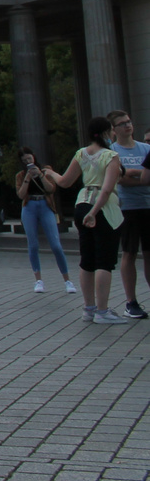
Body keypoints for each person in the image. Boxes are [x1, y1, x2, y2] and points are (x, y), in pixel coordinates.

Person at [48, 116, 128, 323]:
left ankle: (89, 308)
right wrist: (95, 211)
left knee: (87, 259)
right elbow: (107, 188)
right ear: (105, 133)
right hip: (103, 208)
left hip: (81, 203)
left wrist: (50, 173)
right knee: (104, 260)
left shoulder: (81, 153)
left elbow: (65, 181)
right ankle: (103, 311)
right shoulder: (111, 156)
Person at [107, 111, 150, 319]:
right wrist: (141, 175)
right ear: (113, 130)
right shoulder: (112, 152)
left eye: (129, 122)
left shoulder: (146, 148)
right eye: (122, 124)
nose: (127, 126)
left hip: (148, 205)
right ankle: (131, 302)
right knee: (130, 253)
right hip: (127, 208)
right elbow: (120, 179)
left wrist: (131, 173)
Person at [16, 147, 75, 294]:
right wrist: (28, 178)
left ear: (34, 157)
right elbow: (21, 195)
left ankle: (67, 280)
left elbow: (51, 189)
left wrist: (40, 175)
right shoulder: (21, 175)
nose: (28, 162)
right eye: (24, 161)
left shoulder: (46, 170)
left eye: (29, 158)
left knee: (56, 245)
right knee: (33, 245)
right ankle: (38, 280)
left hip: (45, 205)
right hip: (29, 207)